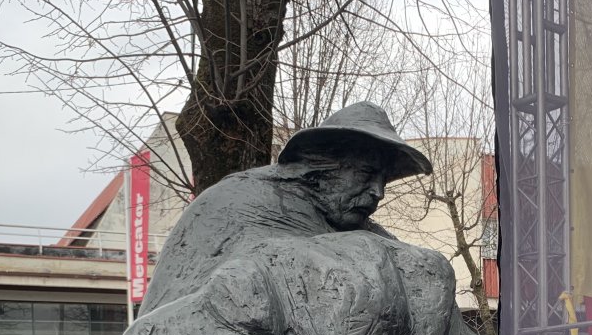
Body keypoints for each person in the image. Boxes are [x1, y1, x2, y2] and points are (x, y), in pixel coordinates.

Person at [139, 101, 431, 316]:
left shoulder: (357, 226)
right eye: (367, 173)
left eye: (383, 180)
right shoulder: (239, 201)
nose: (378, 192)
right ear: (324, 164)